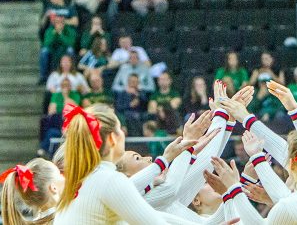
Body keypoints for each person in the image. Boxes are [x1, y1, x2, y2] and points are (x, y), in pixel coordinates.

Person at [53, 103, 202, 224]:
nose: (124, 132)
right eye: (120, 128)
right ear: (112, 138)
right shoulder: (109, 180)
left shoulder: (79, 179)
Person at [0, 158, 65, 224]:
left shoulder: (39, 220)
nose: (64, 177)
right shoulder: (64, 219)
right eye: (60, 174)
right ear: (54, 188)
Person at [39, 16, 78, 84]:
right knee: (44, 51)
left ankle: (72, 72)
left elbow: (70, 43)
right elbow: (47, 43)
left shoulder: (70, 30)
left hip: (64, 50)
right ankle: (43, 77)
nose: (59, 24)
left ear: (64, 23)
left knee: (70, 50)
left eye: (61, 22)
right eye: (57, 22)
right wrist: (54, 34)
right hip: (52, 50)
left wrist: (60, 34)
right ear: (54, 23)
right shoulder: (49, 30)